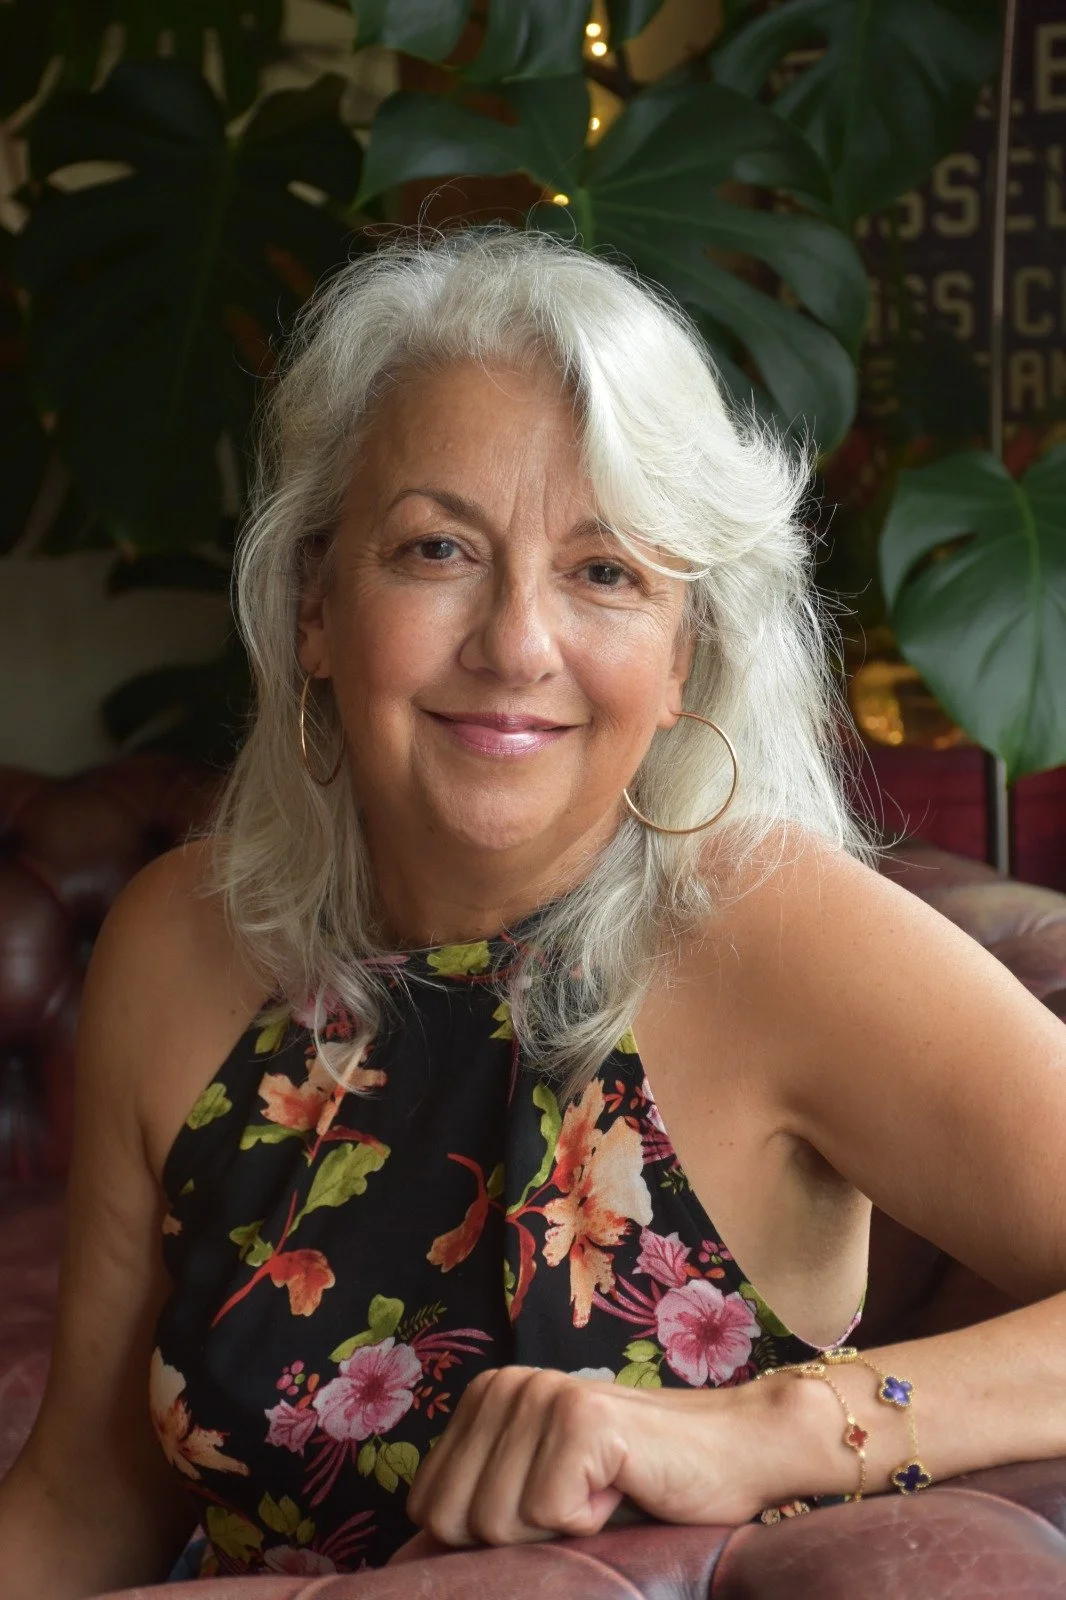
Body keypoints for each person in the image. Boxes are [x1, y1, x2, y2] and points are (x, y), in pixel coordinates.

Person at [2, 224, 1065, 1594]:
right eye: (437, 548)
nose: (514, 643)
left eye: (605, 571)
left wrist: (769, 1429)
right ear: (313, 604)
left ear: (684, 653)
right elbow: (91, 1496)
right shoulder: (179, 940)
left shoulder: (776, 934)